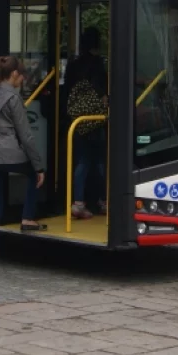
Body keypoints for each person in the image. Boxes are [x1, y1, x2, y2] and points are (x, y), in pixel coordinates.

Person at [0, 56, 46, 277]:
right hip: (9, 155)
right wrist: (39, 165)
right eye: (21, 75)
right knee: (34, 174)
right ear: (13, 75)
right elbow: (26, 136)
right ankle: (27, 218)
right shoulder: (13, 99)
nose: (22, 80)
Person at [64, 27, 108, 220]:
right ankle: (104, 200)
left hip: (77, 119)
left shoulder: (73, 64)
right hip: (95, 119)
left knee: (82, 161)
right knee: (100, 162)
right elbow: (103, 90)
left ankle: (78, 202)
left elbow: (67, 88)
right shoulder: (98, 64)